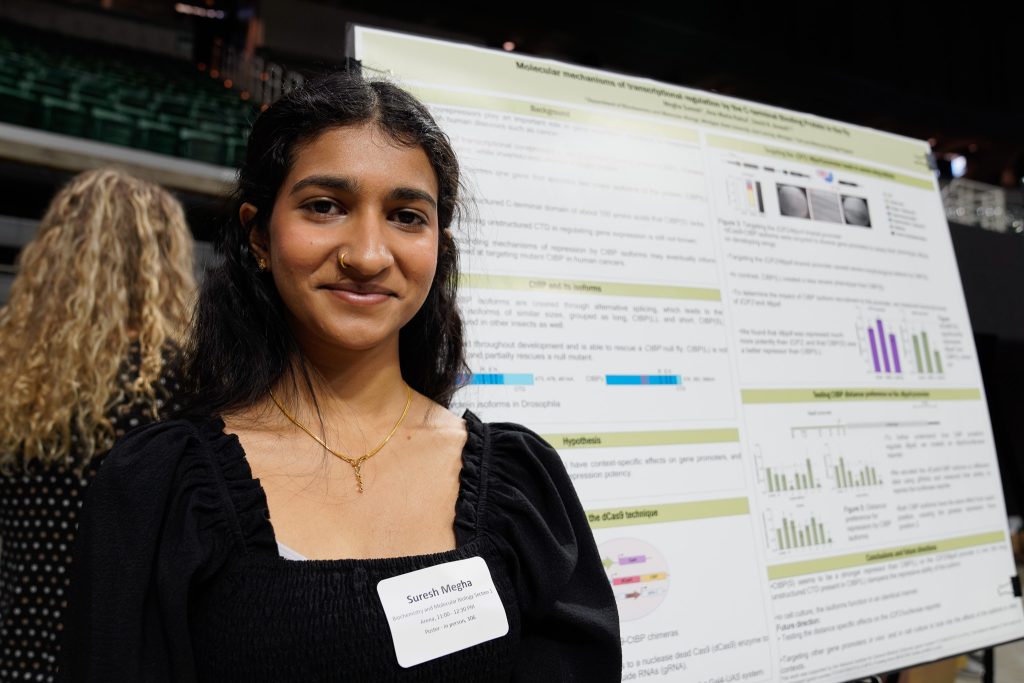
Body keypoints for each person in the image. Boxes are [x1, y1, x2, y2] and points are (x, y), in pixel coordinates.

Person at [64, 70, 621, 681]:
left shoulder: (520, 484)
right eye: (325, 207)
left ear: (439, 244)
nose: (367, 255)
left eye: (407, 216)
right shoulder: (161, 490)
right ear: (258, 235)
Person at [0, 168, 195, 682]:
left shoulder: (12, 368)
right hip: (115, 651)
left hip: (18, 642)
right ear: (162, 258)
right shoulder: (177, 378)